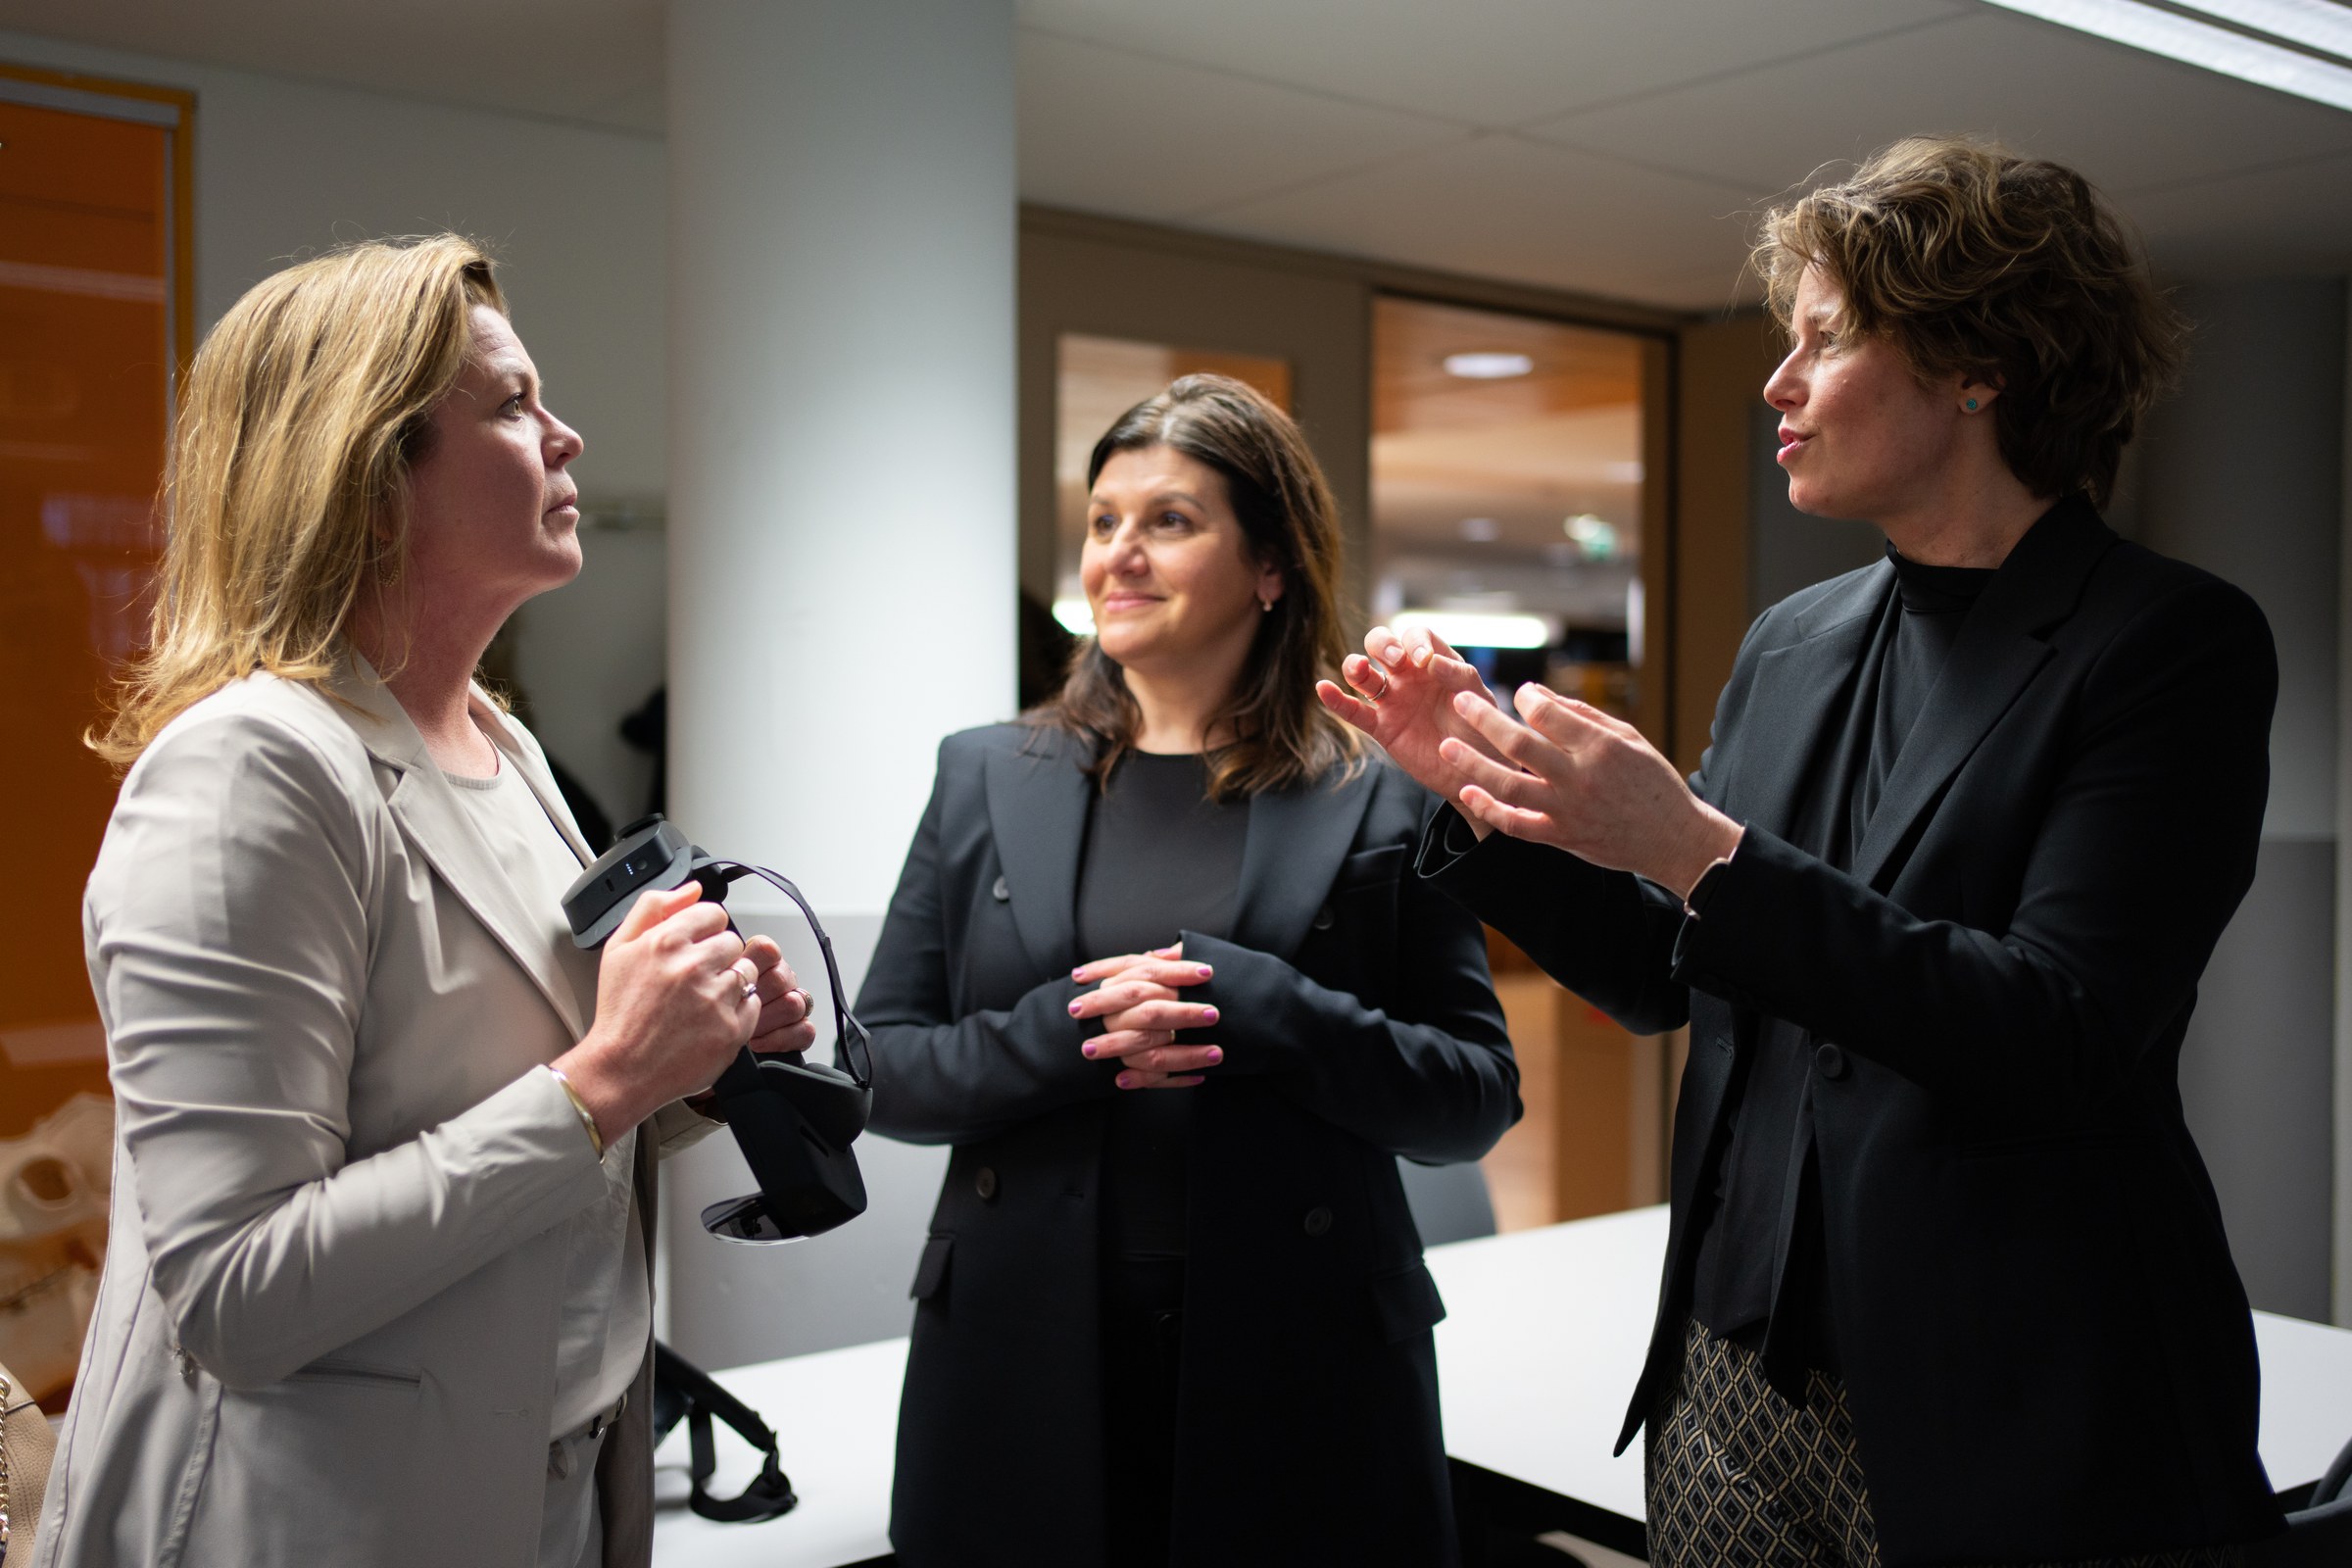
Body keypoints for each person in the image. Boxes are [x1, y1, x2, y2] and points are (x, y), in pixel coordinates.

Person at [1321, 138, 2282, 1566]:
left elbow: (2059, 1031)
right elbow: (1668, 972)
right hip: (1729, 1381)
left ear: (1981, 364)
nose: (1779, 384)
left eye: (1824, 341)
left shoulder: (2164, 644)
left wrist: (1700, 848)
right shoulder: (1798, 640)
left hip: (2010, 1392)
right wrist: (1476, 794)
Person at [35, 236, 820, 1568]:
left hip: (542, 1491)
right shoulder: (252, 768)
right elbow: (234, 1291)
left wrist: (690, 1061)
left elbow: (529, 1116)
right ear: (371, 476)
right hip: (312, 1522)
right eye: (512, 406)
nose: (568, 437)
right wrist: (610, 1078)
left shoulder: (503, 750)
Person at [860, 375, 1518, 1567]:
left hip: (1302, 1359)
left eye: (1169, 520)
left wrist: (1276, 1013)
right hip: (1019, 1357)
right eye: (1105, 520)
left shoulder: (1380, 788)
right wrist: (1067, 1034)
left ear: (1271, 566)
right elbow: (881, 1068)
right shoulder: (986, 773)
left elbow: (1474, 1095)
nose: (1120, 553)